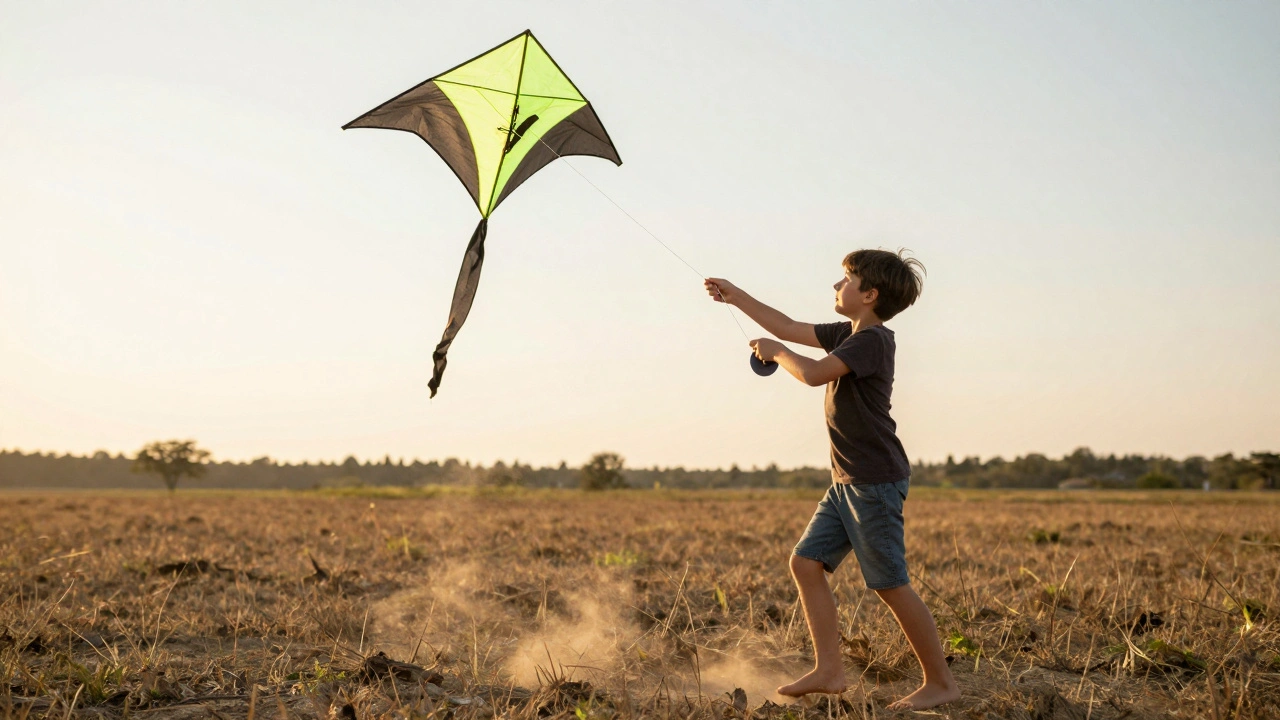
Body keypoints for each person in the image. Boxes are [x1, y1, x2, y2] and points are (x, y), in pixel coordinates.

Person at [704, 249, 958, 711]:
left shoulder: (873, 341)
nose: (836, 287)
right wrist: (735, 296)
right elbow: (786, 325)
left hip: (873, 482)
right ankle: (829, 669)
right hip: (847, 482)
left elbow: (815, 372)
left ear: (869, 294)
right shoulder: (848, 333)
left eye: (845, 280)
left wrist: (778, 354)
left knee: (889, 583)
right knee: (805, 564)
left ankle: (940, 682)